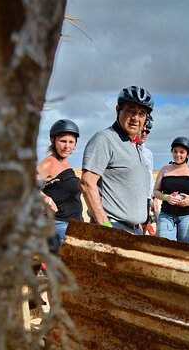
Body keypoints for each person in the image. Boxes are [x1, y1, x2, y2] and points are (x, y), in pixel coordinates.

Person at [79, 86, 153, 235]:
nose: (135, 118)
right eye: (131, 110)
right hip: (113, 228)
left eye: (141, 113)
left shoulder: (136, 146)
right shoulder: (104, 139)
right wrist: (105, 225)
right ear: (118, 109)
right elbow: (87, 183)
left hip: (135, 230)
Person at [37, 119, 83, 254]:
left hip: (74, 225)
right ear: (53, 141)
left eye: (71, 142)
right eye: (63, 141)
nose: (67, 146)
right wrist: (46, 200)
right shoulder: (48, 164)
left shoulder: (66, 165)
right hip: (59, 225)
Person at [153, 137, 189, 242]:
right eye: (175, 151)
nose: (177, 155)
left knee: (184, 249)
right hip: (166, 214)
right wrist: (166, 197)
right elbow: (156, 191)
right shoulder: (164, 170)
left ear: (188, 155)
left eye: (182, 152)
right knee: (164, 247)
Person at [139, 114, 157, 235]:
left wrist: (153, 197)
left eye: (147, 131)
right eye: (142, 130)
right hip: (133, 198)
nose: (144, 133)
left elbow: (150, 176)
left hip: (146, 197)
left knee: (143, 232)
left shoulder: (148, 153)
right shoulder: (129, 147)